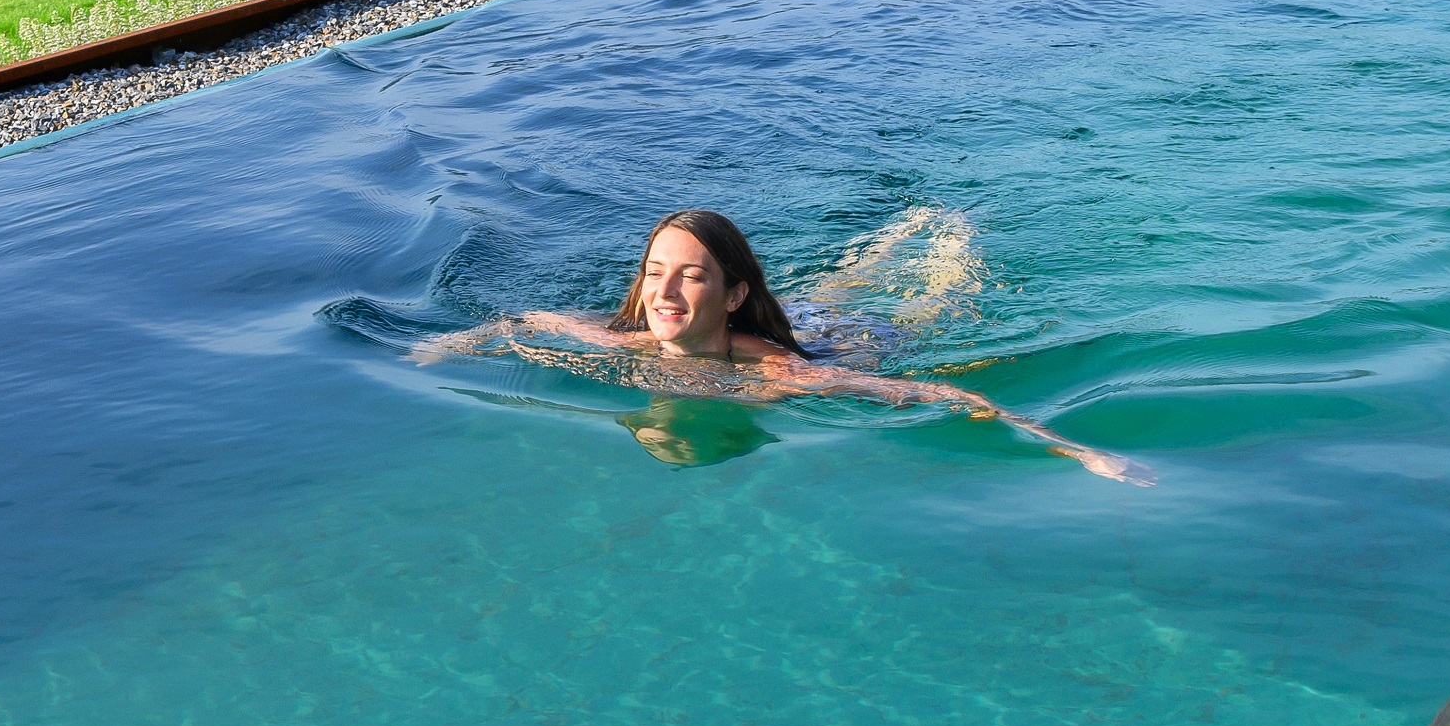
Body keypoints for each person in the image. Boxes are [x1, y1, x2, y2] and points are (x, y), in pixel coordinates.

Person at [413, 209, 1151, 484]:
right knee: (836, 286)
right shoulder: (619, 342)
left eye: (690, 276)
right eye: (654, 272)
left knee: (926, 302)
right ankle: (897, 237)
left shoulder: (785, 377)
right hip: (784, 318)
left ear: (731, 294)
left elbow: (951, 394)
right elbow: (528, 320)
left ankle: (946, 236)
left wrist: (1080, 451)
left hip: (847, 344)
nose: (665, 292)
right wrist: (450, 344)